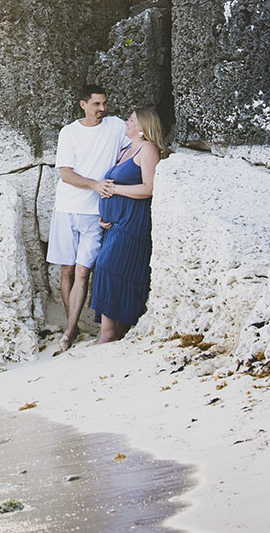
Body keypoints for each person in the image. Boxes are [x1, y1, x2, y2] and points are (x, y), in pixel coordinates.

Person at [47, 85, 128, 353]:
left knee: (84, 271)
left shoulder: (115, 126)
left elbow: (135, 147)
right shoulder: (69, 133)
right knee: (67, 270)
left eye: (104, 103)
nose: (102, 108)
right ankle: (75, 326)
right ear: (83, 105)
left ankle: (69, 332)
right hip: (67, 208)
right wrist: (95, 185)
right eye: (96, 104)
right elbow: (66, 174)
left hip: (96, 213)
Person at [90, 106, 168, 345]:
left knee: (109, 267)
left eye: (131, 120)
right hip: (116, 222)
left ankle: (108, 333)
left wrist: (114, 190)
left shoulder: (148, 149)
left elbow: (149, 187)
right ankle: (114, 329)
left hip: (134, 220)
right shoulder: (126, 149)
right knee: (107, 269)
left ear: (143, 128)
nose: (127, 122)